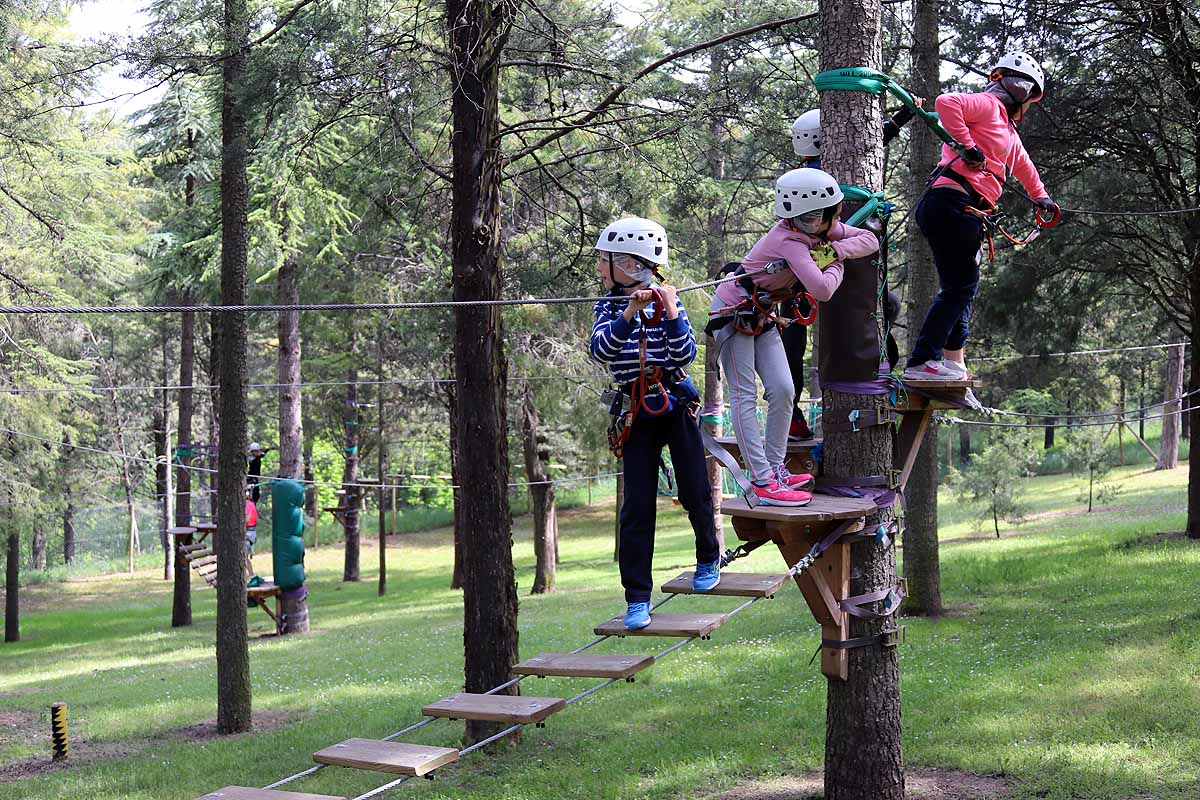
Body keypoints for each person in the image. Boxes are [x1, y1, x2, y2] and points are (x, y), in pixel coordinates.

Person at [709, 168, 879, 505]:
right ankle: (761, 482)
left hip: (763, 311)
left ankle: (775, 471)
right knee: (744, 396)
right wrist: (837, 262)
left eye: (824, 217)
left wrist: (834, 252)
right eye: (806, 219)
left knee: (784, 390)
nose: (828, 220)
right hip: (732, 312)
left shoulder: (821, 232)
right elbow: (823, 289)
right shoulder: (789, 241)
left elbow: (870, 240)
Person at [589, 216, 721, 630]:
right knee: (637, 507)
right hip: (636, 412)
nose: (598, 267)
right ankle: (637, 598)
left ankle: (707, 558)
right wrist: (628, 313)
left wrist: (668, 310)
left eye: (604, 260)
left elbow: (684, 355)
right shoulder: (607, 306)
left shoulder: (670, 302)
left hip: (674, 403)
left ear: (629, 263)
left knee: (694, 489)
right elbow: (601, 351)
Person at [904, 52, 1059, 381]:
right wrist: (967, 146)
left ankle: (950, 364)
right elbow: (947, 102)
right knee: (961, 288)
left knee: (961, 288)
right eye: (1029, 98)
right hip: (952, 203)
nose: (1028, 106)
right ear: (1020, 90)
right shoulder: (989, 106)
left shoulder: (1006, 129)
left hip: (961, 209)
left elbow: (1023, 165)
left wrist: (1041, 197)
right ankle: (922, 361)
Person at [785, 100, 923, 436]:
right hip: (822, 267)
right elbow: (875, 139)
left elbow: (877, 138)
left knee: (793, 331)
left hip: (822, 267)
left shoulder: (802, 178)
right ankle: (883, 372)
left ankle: (792, 413)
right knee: (883, 307)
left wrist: (902, 117)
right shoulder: (814, 179)